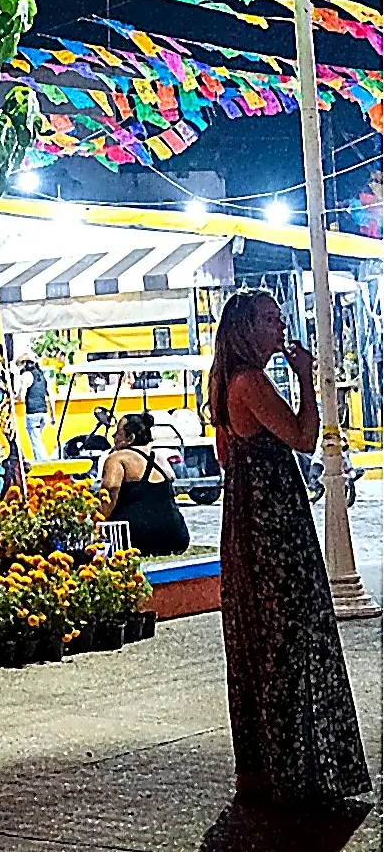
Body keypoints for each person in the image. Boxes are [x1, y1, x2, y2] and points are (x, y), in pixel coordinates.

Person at [208, 288, 370, 805]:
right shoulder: (250, 382)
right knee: (290, 637)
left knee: (265, 640)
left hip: (253, 521)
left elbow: (228, 457)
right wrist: (306, 376)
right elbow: (303, 436)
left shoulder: (227, 383)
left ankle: (271, 769)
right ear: (246, 329)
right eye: (270, 321)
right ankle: (298, 771)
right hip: (274, 527)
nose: (280, 329)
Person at [97, 412, 190, 557]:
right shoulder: (160, 459)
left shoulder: (118, 458)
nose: (113, 437)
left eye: (118, 433)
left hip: (137, 537)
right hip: (176, 535)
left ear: (130, 438)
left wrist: (97, 522)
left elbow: (109, 492)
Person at [15, 352, 53, 462]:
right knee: (38, 439)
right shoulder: (42, 376)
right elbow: (49, 396)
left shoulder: (26, 376)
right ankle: (41, 461)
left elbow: (21, 397)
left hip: (32, 413)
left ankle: (44, 463)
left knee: (35, 441)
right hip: (44, 413)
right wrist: (53, 415)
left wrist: (14, 396)